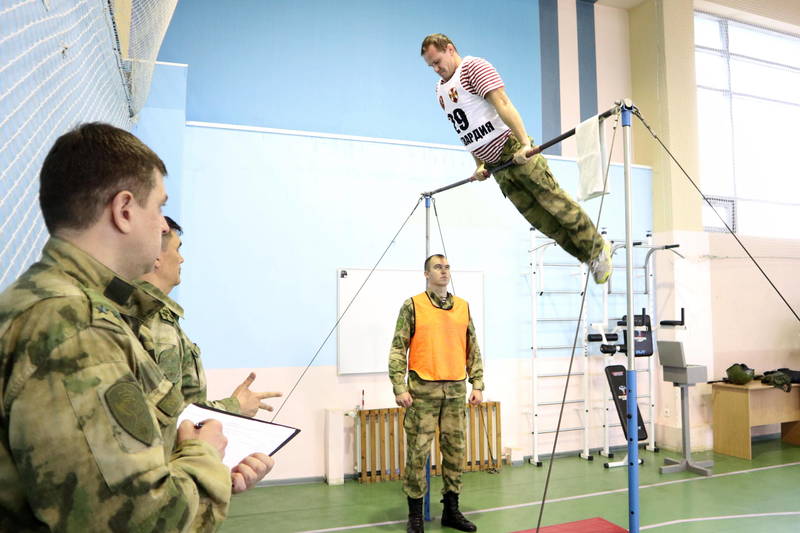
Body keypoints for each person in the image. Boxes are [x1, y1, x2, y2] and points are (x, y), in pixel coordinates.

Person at [0, 123, 269, 531]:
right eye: (159, 207)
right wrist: (203, 457)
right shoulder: (76, 328)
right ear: (124, 210)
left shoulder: (47, 302)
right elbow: (138, 520)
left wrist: (198, 470)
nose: (163, 227)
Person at [420, 33, 612, 284]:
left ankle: (598, 248)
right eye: (430, 66)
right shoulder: (440, 90)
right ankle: (587, 257)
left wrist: (524, 145)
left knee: (556, 205)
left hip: (513, 150)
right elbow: (465, 131)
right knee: (543, 221)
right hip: (498, 168)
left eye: (437, 61)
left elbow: (503, 104)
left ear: (450, 48)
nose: (436, 69)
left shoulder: (473, 68)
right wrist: (479, 165)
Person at [136, 216, 282, 473]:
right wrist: (235, 406)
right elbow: (170, 416)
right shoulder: (155, 324)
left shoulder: (154, 316)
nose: (181, 259)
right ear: (155, 257)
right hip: (169, 474)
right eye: (177, 249)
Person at [389, 255, 483, 533]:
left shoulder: (463, 306)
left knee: (455, 452)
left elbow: (472, 346)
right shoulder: (413, 305)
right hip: (422, 389)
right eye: (437, 268)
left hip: (455, 388)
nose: (444, 271)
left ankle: (451, 511)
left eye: (447, 267)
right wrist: (399, 386)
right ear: (426, 274)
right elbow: (398, 347)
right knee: (418, 453)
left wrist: (477, 383)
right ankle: (415, 515)